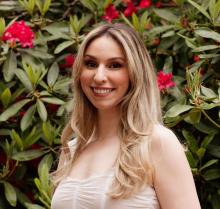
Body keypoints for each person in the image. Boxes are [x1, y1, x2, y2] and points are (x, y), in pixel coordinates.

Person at [51, 23, 201, 209]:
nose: (99, 76)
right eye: (91, 64)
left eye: (115, 65)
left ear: (135, 73)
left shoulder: (157, 142)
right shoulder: (72, 149)